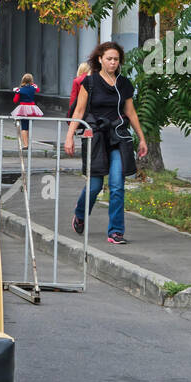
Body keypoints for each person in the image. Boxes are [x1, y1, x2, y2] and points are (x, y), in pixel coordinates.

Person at [64, 42, 148, 245]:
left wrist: (142, 138)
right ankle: (80, 213)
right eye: (109, 58)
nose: (113, 62)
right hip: (96, 138)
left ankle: (116, 231)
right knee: (94, 186)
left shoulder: (124, 84)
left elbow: (130, 112)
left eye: (116, 59)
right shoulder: (90, 82)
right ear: (100, 59)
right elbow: (79, 111)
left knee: (117, 185)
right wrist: (69, 136)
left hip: (118, 136)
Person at [10, 73, 43, 149]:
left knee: (24, 127)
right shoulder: (33, 88)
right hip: (32, 108)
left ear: (23, 80)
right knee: (28, 126)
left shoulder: (20, 90)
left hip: (23, 108)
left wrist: (18, 92)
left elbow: (15, 100)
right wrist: (32, 84)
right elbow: (37, 90)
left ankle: (25, 144)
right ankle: (27, 142)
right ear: (31, 80)